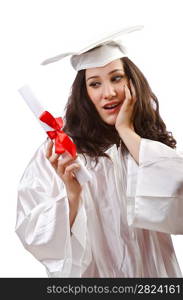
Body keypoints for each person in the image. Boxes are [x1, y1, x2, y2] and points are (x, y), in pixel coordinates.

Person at [15, 26, 183, 278]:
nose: (109, 93)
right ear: (85, 93)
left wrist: (126, 130)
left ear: (132, 82)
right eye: (95, 83)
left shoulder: (146, 146)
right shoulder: (62, 153)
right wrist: (72, 194)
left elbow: (177, 194)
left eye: (116, 78)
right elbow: (34, 232)